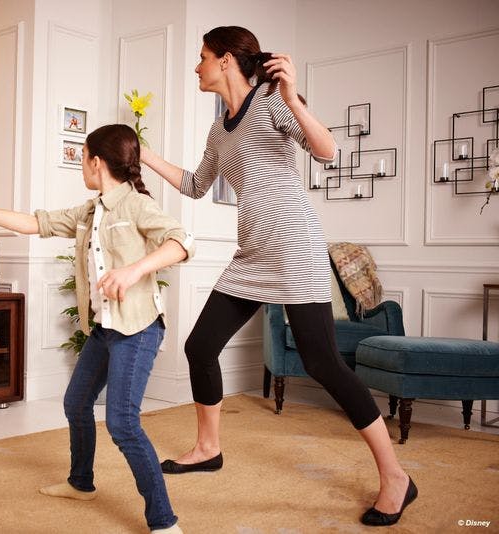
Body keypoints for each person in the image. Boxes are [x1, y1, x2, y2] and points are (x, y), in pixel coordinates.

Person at [140, 26, 416, 527]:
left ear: (225, 60)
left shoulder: (271, 100)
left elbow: (327, 151)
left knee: (324, 364)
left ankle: (396, 476)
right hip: (252, 256)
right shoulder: (219, 127)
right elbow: (198, 185)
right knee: (200, 348)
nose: (196, 66)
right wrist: (146, 156)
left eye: (201, 57)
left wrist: (291, 95)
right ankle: (208, 447)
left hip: (294, 251)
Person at [0, 124, 193, 534]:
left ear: (96, 162)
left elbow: (182, 241)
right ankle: (81, 483)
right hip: (104, 329)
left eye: (82, 157)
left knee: (123, 423)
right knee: (76, 403)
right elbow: (35, 223)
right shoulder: (89, 211)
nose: (82, 164)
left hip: (137, 329)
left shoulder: (136, 206)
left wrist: (133, 270)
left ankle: (164, 522)